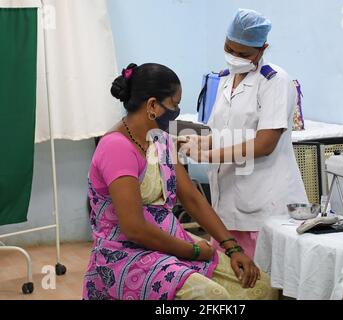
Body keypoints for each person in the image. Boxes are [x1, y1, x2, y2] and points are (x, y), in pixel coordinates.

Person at [82, 63, 278, 300]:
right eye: (174, 105)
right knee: (211, 296)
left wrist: (232, 247)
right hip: (126, 254)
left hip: (169, 243)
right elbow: (133, 228)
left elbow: (193, 199)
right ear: (152, 105)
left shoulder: (160, 140)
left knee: (261, 287)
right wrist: (192, 250)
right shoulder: (116, 148)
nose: (176, 111)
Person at [182, 9, 308, 259]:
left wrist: (210, 155)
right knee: (232, 279)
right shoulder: (227, 78)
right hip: (227, 202)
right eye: (230, 49)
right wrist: (202, 140)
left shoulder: (274, 81)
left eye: (243, 54)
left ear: (262, 49)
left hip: (263, 202)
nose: (235, 57)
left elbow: (264, 143)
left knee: (261, 283)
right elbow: (229, 132)